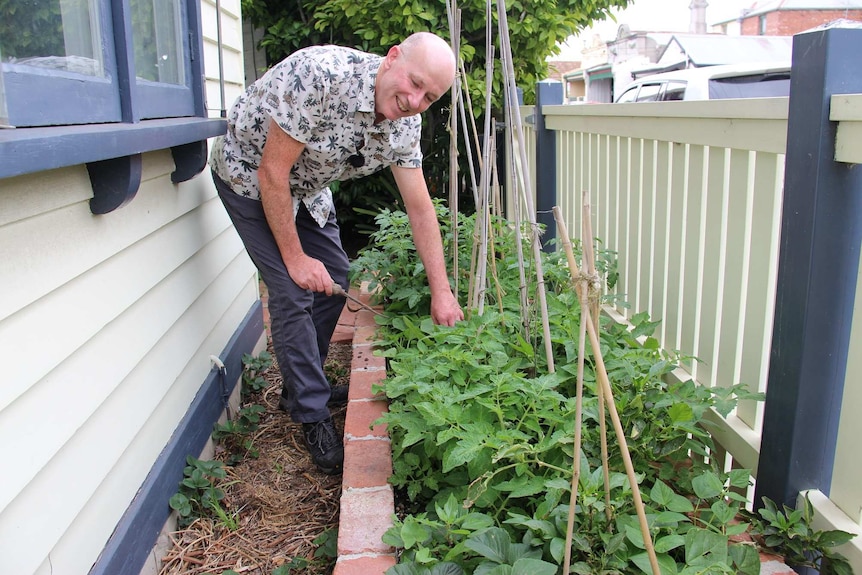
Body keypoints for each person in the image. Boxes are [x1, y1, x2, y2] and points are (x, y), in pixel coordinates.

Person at [209, 32, 464, 475]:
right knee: (292, 291)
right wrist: (294, 258)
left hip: (306, 191)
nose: (416, 100)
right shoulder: (322, 76)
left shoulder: (405, 123)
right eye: (415, 82)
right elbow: (273, 172)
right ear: (392, 58)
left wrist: (442, 292)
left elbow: (420, 208)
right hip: (251, 179)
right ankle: (310, 413)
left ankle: (300, 385)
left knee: (336, 279)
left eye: (430, 96)